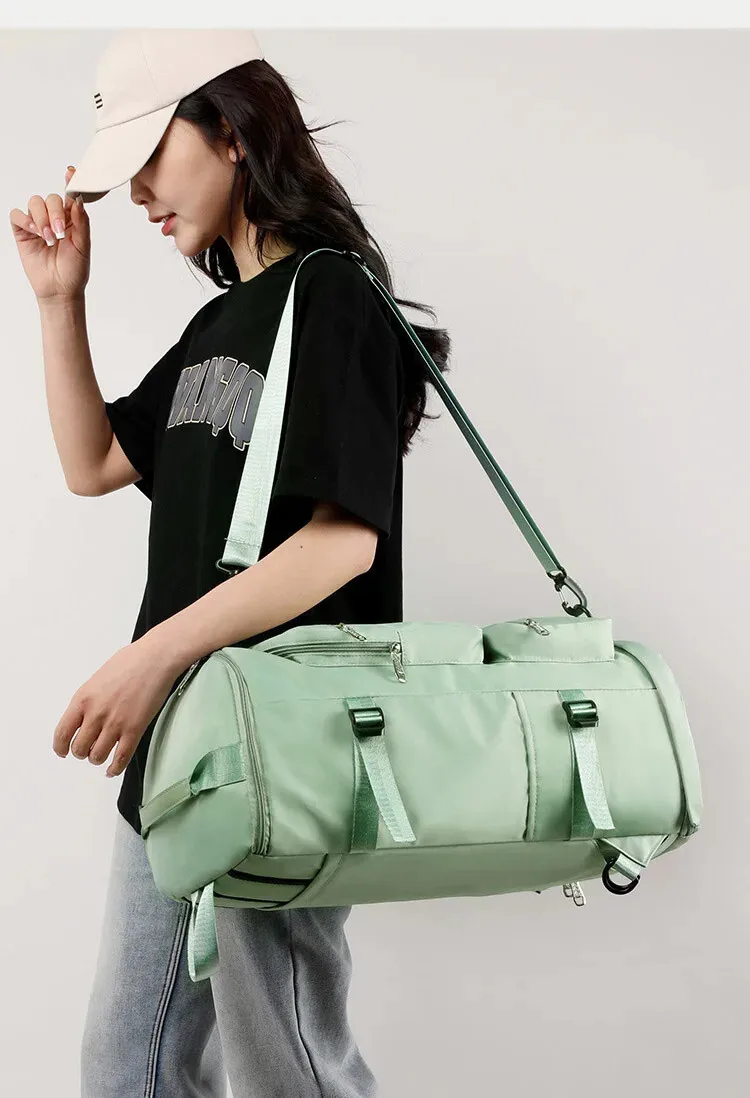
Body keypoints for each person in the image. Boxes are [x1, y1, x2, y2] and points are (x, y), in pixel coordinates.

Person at [10, 28, 451, 1098]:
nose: (139, 195)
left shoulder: (332, 295)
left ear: (232, 132)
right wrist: (61, 301)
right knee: (127, 1066)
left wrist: (151, 655)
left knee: (285, 1067)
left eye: (149, 158)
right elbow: (93, 463)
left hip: (285, 745)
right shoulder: (220, 322)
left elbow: (343, 540)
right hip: (185, 745)